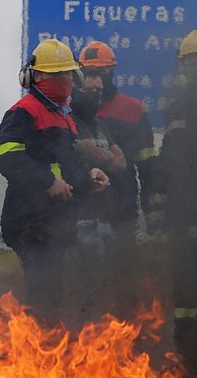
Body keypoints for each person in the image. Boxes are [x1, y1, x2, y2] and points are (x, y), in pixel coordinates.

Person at [0, 39, 110, 321]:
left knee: (53, 295)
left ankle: (46, 350)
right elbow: (6, 156)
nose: (65, 81)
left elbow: (65, 168)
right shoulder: (24, 111)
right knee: (43, 296)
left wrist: (87, 179)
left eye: (68, 74)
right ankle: (35, 353)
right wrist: (47, 182)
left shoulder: (62, 116)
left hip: (54, 223)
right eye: (57, 75)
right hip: (30, 222)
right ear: (38, 77)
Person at [78, 41, 159, 313]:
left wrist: (153, 211)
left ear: (112, 72)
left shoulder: (132, 109)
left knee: (123, 282)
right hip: (82, 212)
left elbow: (147, 167)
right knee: (84, 287)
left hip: (122, 211)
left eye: (100, 73)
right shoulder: (70, 110)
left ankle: (126, 344)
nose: (94, 80)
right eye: (88, 73)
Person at [153, 29, 197, 376]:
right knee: (185, 296)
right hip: (183, 221)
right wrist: (158, 211)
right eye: (190, 62)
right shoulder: (175, 110)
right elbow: (165, 164)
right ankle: (190, 358)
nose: (195, 68)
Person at [66, 69, 127, 325]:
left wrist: (107, 158)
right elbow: (97, 155)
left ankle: (94, 346)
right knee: (80, 291)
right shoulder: (70, 122)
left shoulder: (99, 126)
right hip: (81, 219)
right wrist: (106, 158)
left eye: (99, 92)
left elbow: (120, 162)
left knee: (102, 290)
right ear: (77, 91)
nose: (96, 96)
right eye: (90, 91)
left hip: (105, 217)